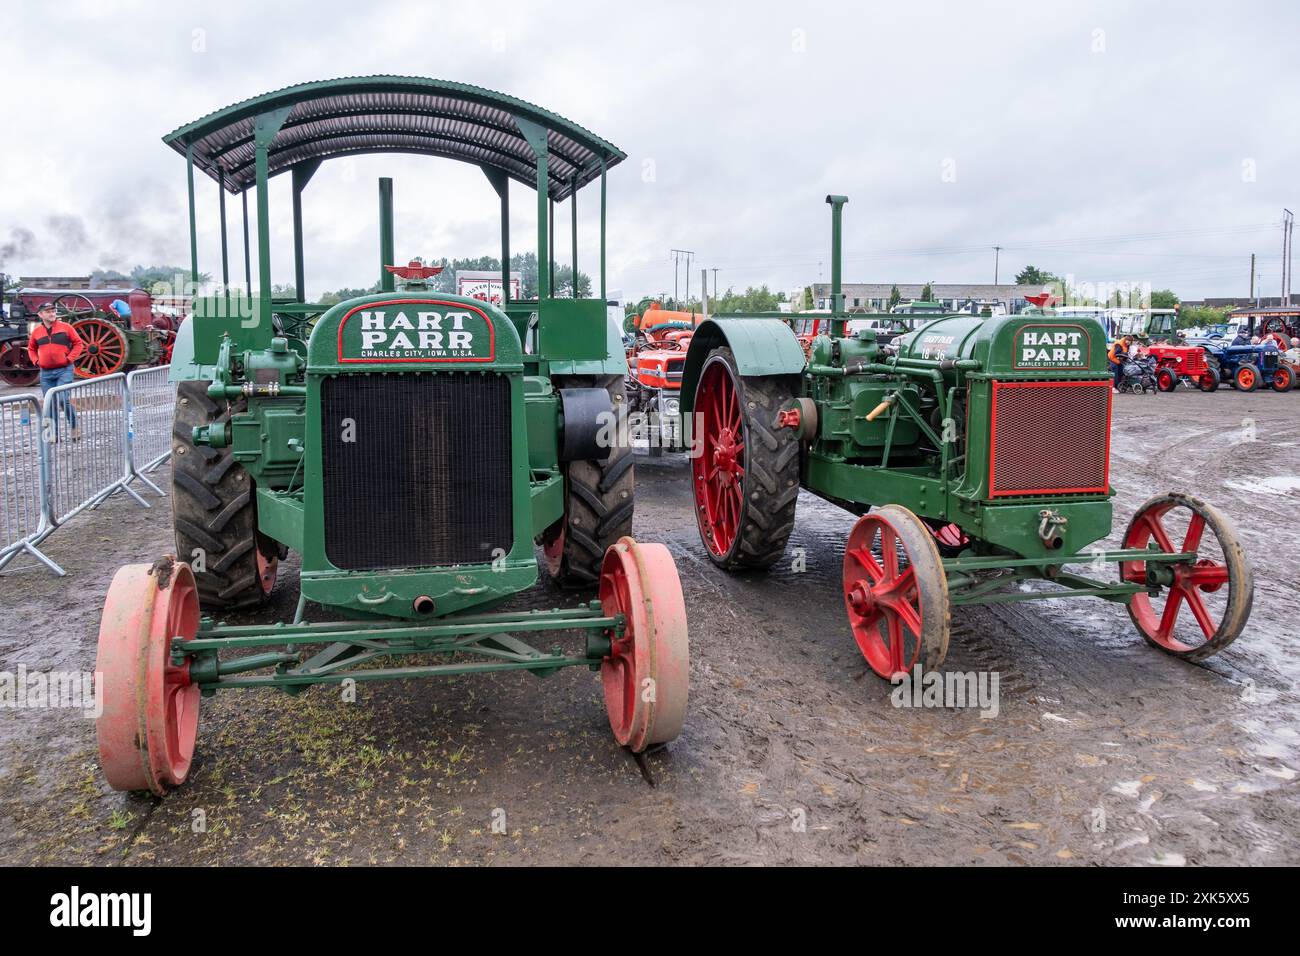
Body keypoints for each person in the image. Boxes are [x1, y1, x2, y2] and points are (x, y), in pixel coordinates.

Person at [26, 302, 84, 440]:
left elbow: (78, 343)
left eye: (53, 311)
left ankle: (75, 427)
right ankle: (53, 434)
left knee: (64, 400)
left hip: (64, 370)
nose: (52, 313)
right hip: (45, 373)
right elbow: (31, 349)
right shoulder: (37, 332)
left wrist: (69, 359)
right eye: (48, 311)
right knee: (49, 403)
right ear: (40, 314)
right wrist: (36, 361)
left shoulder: (66, 328)